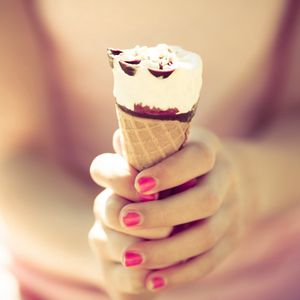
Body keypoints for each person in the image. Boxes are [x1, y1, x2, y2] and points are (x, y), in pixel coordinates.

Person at [0, 0, 300, 299]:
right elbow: (12, 158)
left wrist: (245, 183)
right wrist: (108, 255)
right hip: (64, 275)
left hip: (266, 275)